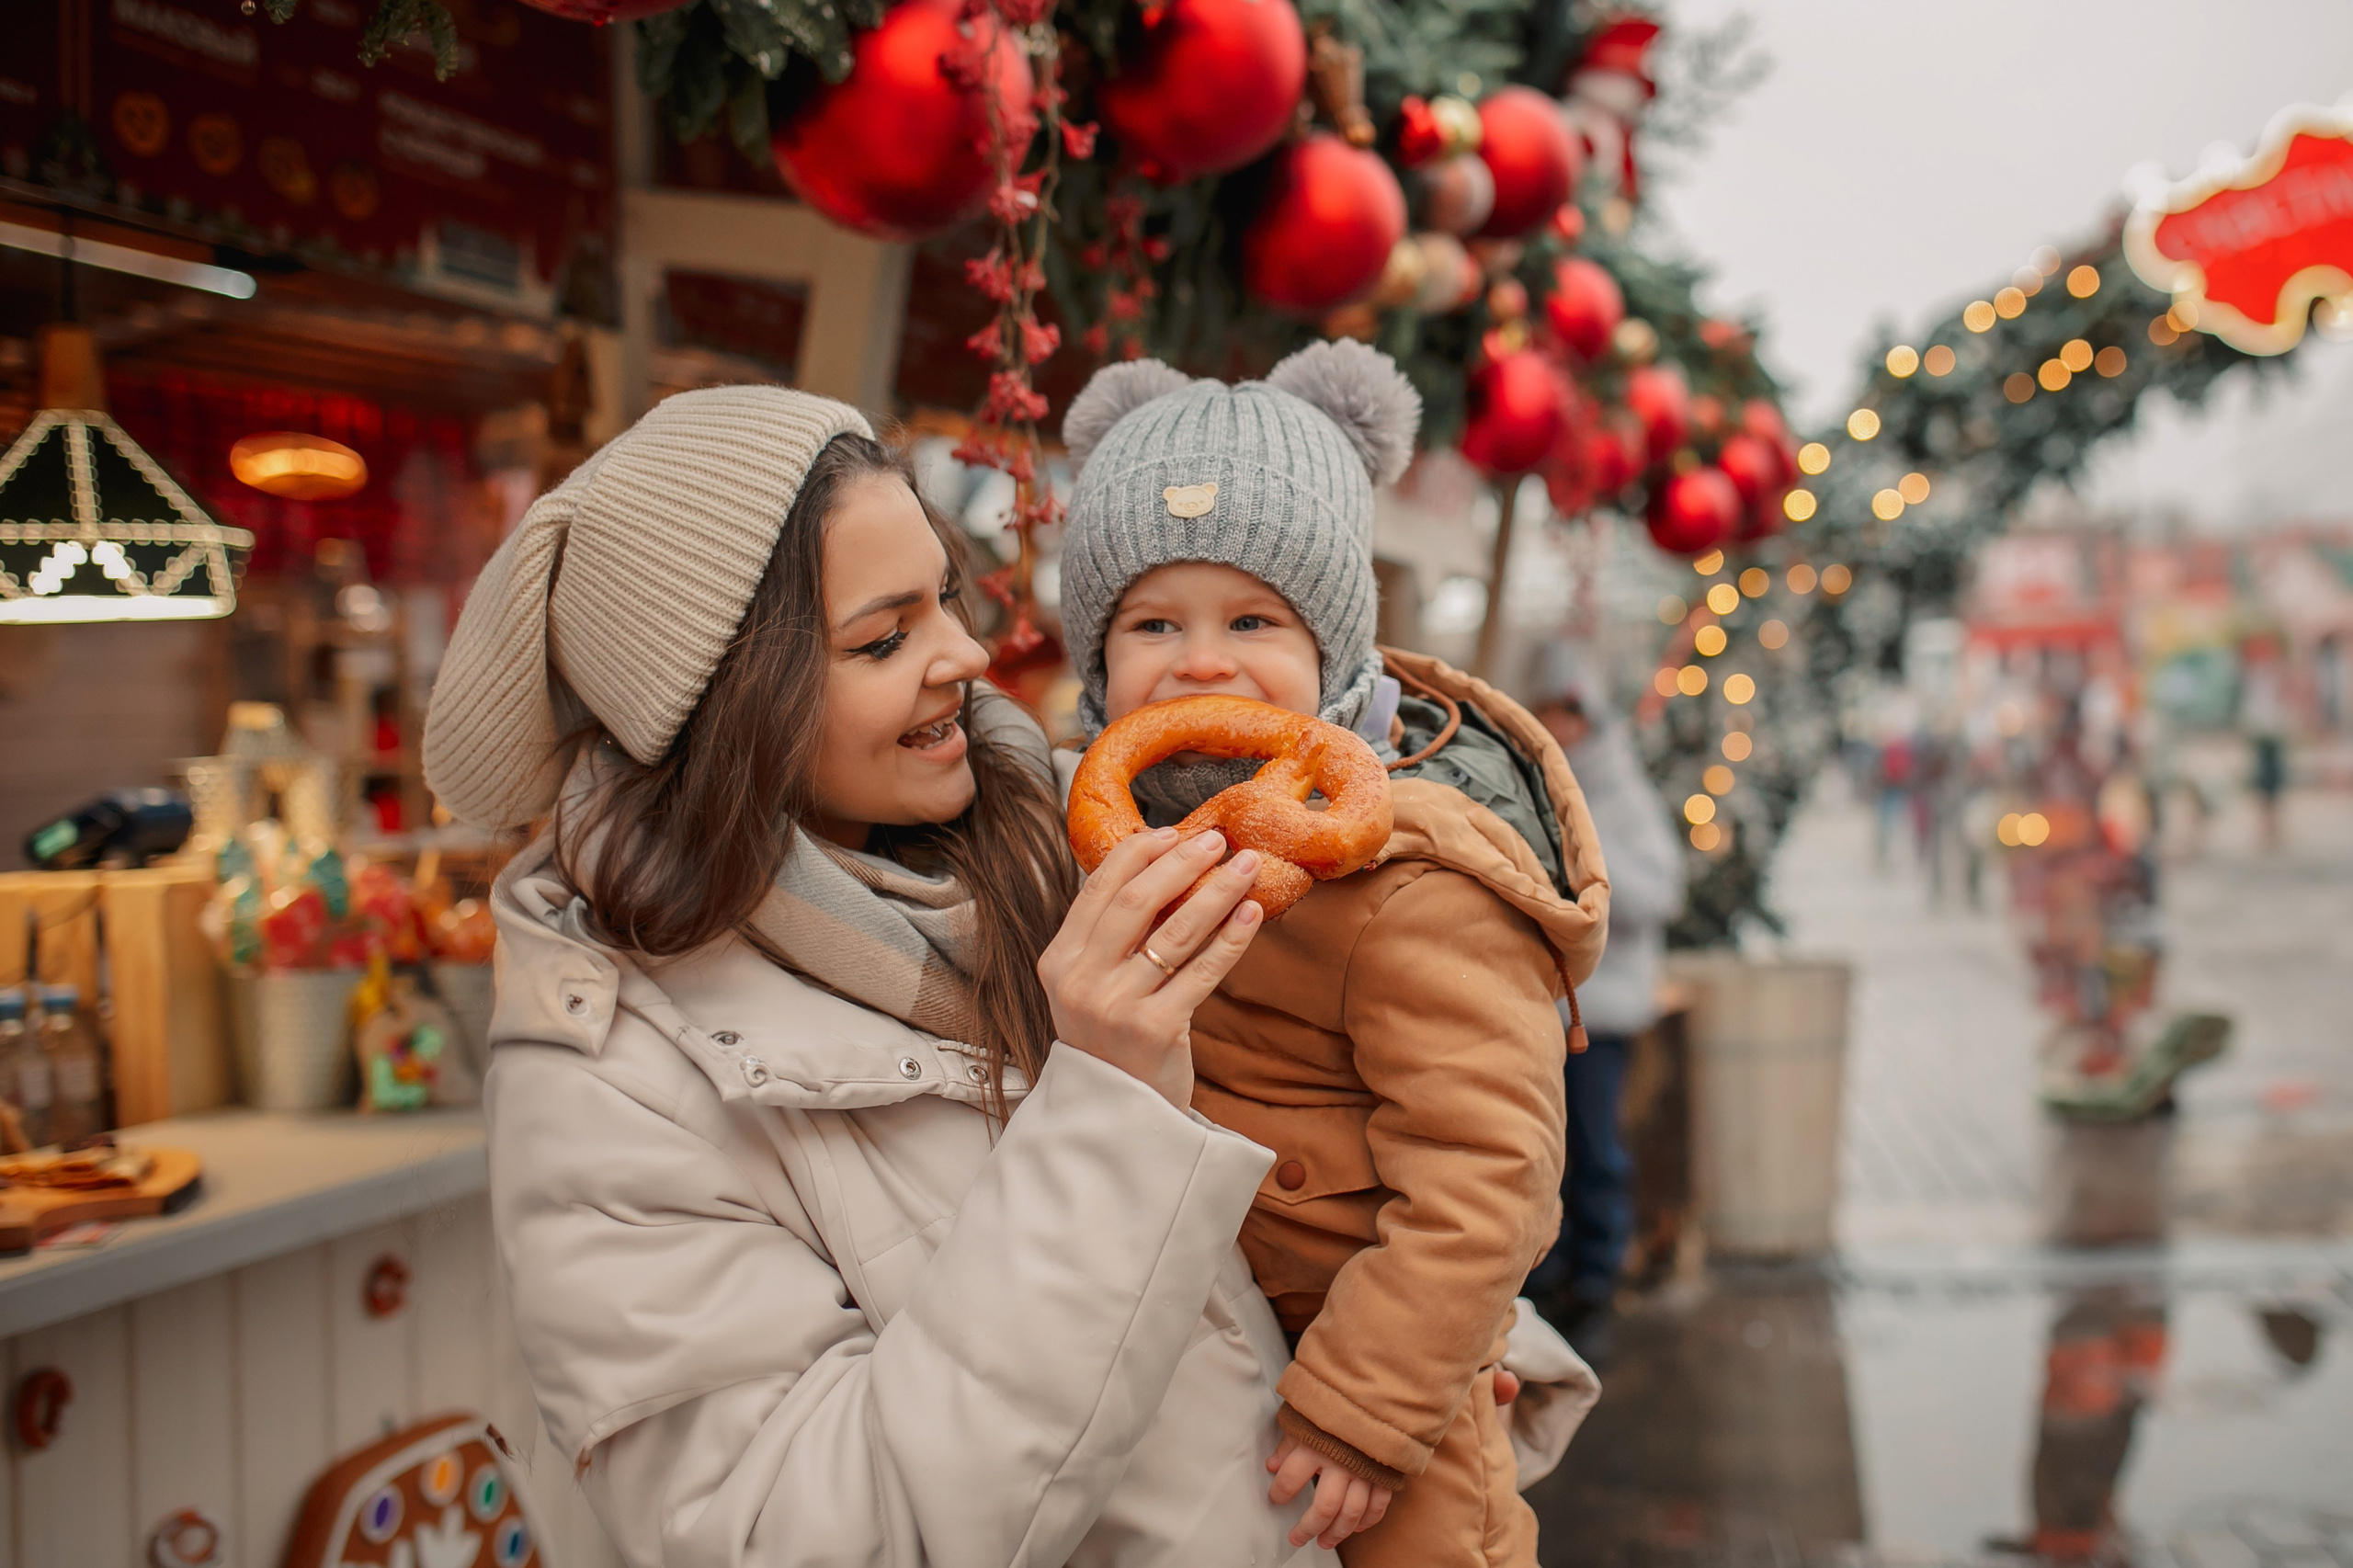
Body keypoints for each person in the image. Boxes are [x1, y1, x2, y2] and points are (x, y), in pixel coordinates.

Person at [422, 386, 1583, 1568]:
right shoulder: (608, 1082)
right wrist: (1108, 1103)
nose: (970, 656)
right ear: (733, 707)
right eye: (884, 637)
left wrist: (1420, 1361)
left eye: (948, 599)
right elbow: (800, 1536)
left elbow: (1364, 1141)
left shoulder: (1045, 838)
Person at [1052, 343, 1609, 1566]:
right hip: (1192, 1347)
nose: (1202, 660)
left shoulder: (1412, 877)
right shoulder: (1089, 833)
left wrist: (1368, 1407)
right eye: (1154, 621)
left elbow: (1489, 1173)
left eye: (1253, 618)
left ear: (1338, 650)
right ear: (1098, 666)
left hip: (1375, 1383)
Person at [1518, 647, 1685, 1358]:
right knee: (1536, 1147)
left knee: (1591, 1146)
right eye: (1549, 713)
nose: (1561, 728)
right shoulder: (1526, 789)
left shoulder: (1618, 795)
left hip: (1600, 1011)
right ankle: (1546, 1275)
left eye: (1570, 714)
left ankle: (1595, 1279)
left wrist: (1586, 889)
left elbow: (1659, 891)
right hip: (1534, 1008)